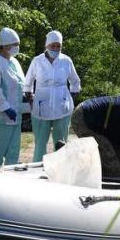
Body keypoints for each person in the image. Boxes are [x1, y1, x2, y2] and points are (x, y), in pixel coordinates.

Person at [24, 30, 81, 162]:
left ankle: (60, 168)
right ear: (47, 45)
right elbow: (28, 82)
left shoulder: (66, 61)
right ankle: (38, 166)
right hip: (41, 106)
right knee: (40, 142)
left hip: (62, 107)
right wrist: (30, 97)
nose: (55, 49)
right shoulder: (37, 61)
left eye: (58, 46)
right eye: (53, 46)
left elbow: (75, 82)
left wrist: (71, 97)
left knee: (61, 142)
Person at [0, 27, 27, 167]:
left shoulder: (14, 62)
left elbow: (21, 84)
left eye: (18, 44)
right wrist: (5, 108)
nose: (17, 47)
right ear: (5, 45)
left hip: (15, 116)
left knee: (13, 153)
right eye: (14, 44)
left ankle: (9, 178)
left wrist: (27, 98)